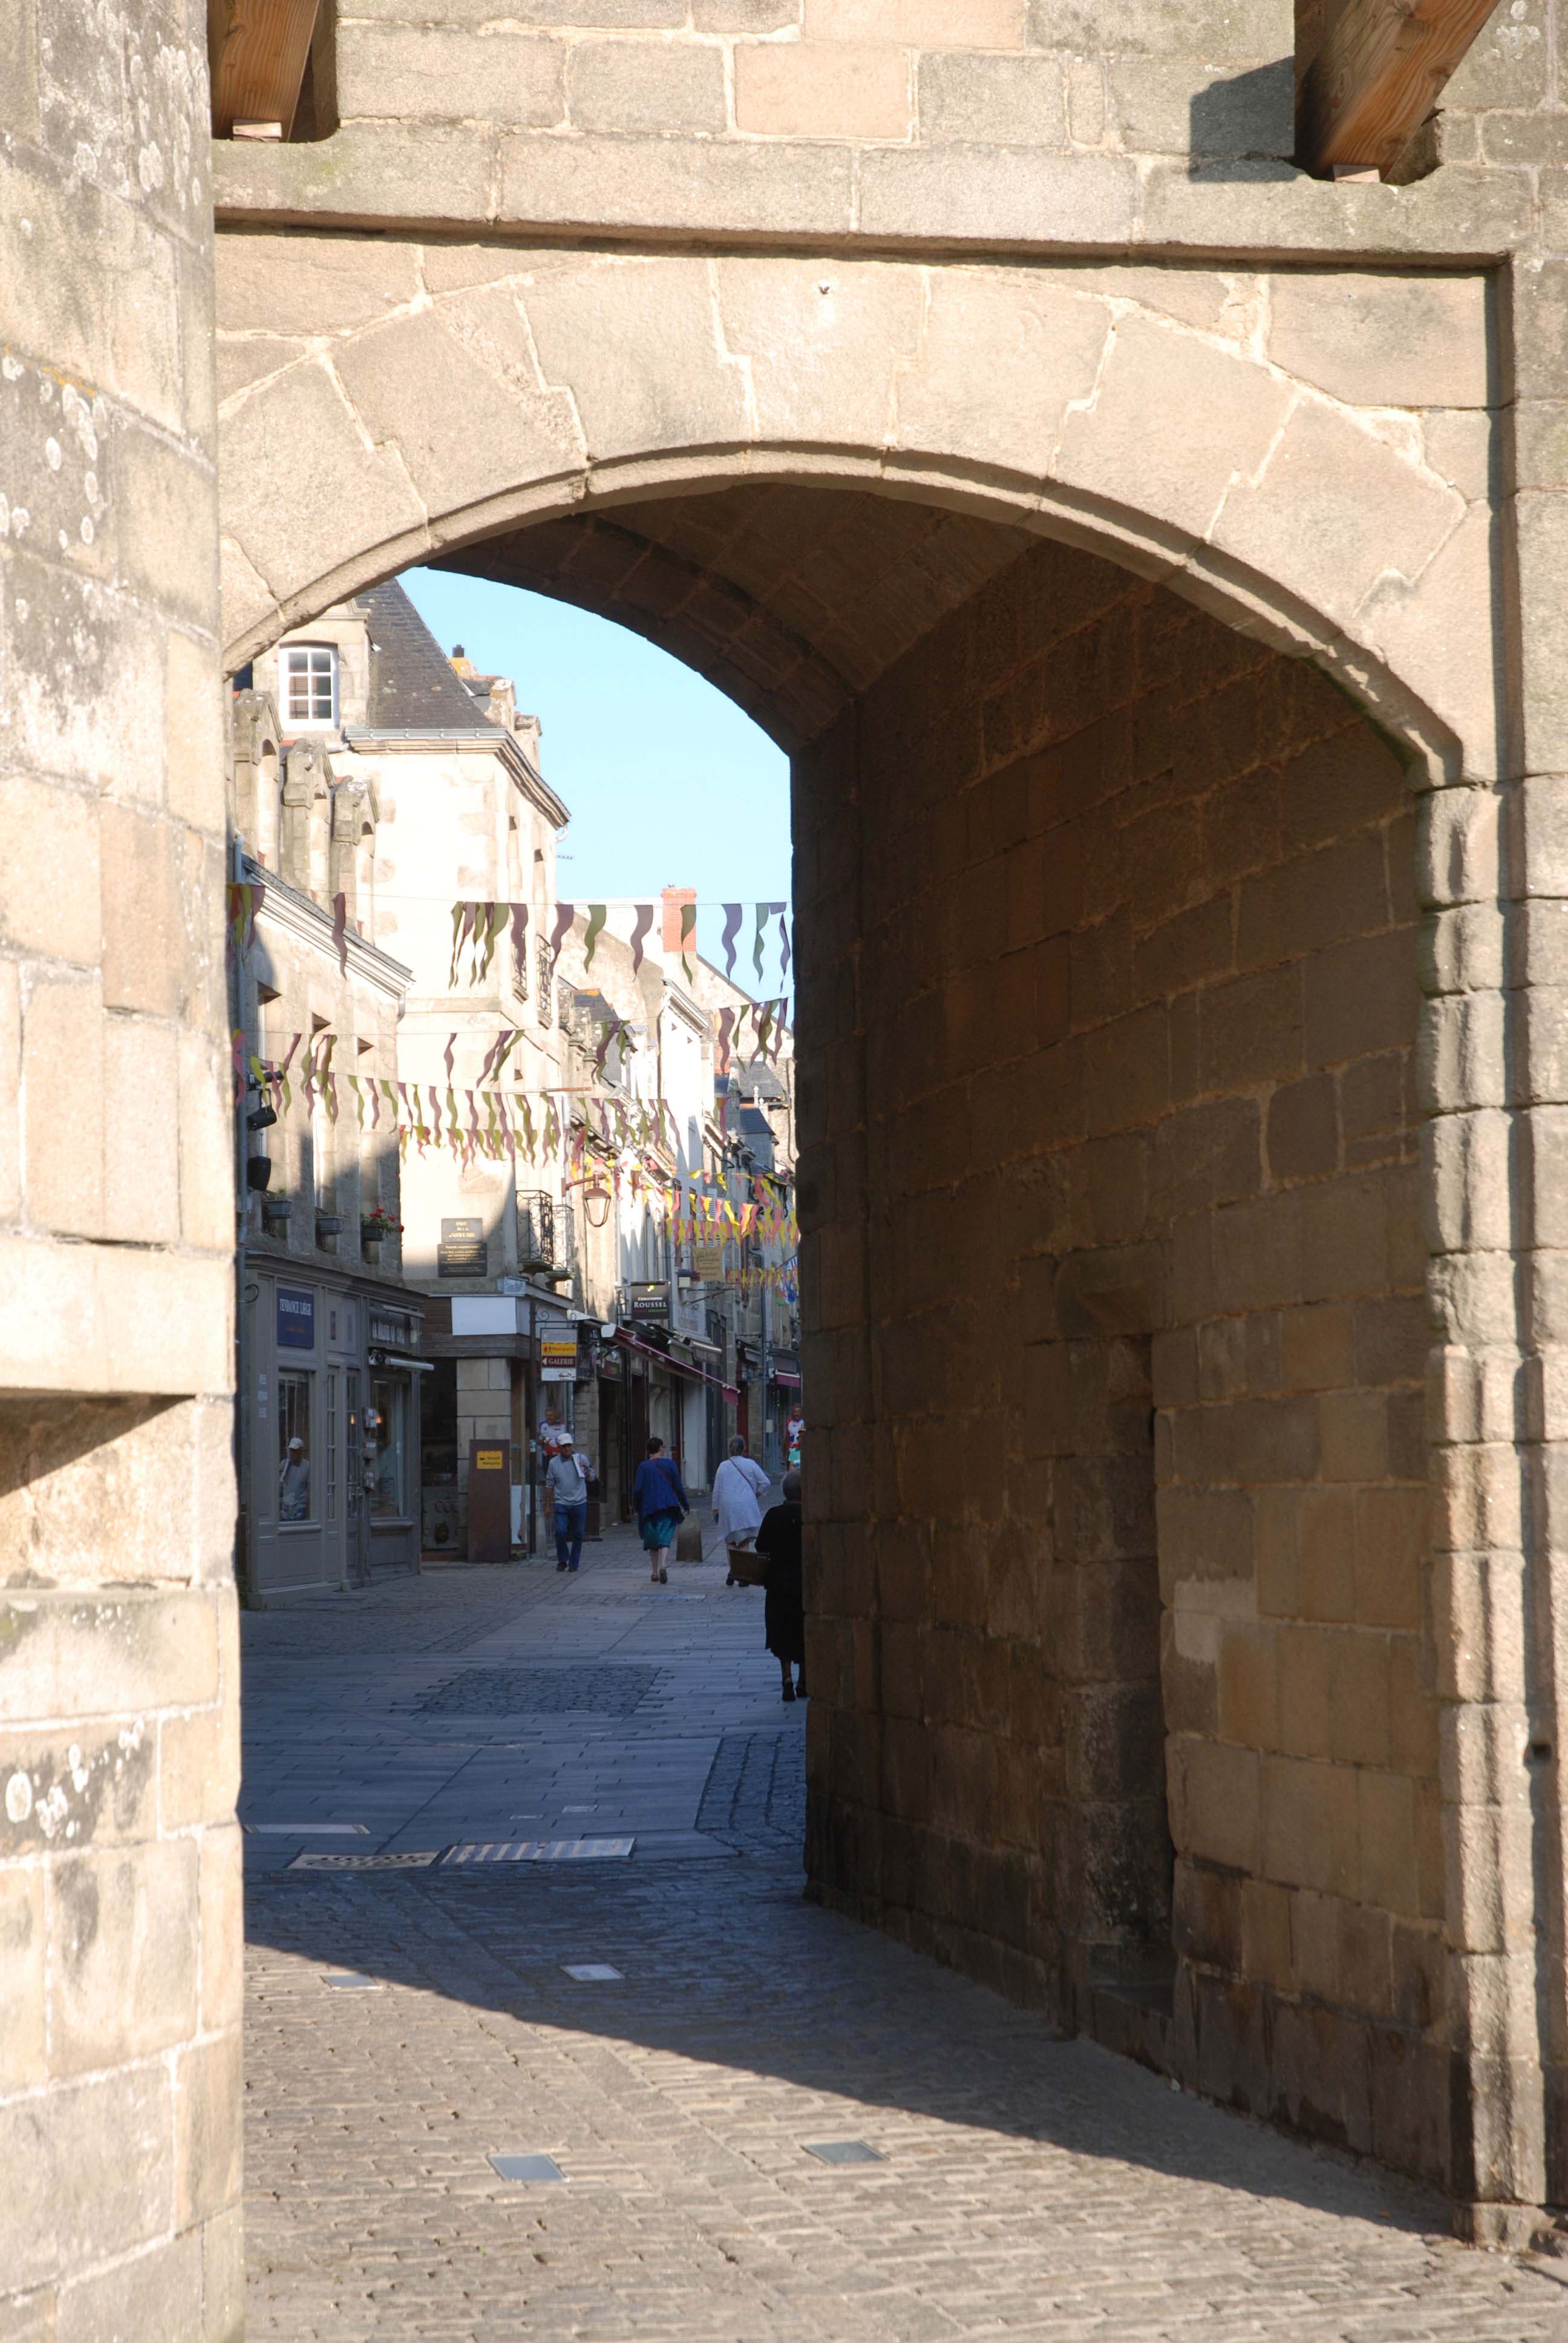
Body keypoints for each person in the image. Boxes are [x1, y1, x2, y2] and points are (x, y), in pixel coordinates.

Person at [754, 1469, 805, 1701]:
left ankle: (786, 1678)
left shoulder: (774, 1515)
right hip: (806, 1584)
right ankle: (805, 1679)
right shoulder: (810, 1515)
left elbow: (761, 1546)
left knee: (781, 1630)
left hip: (779, 1585)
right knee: (804, 1629)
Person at [711, 1435, 769, 1585]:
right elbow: (765, 1482)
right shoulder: (750, 1464)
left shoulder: (723, 1466)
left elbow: (717, 1490)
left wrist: (715, 1509)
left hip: (728, 1506)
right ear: (744, 1450)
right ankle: (743, 1574)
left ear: (729, 1450)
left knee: (730, 1541)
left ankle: (733, 1571)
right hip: (746, 1506)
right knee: (744, 1542)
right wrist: (755, 1495)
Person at [631, 1435, 687, 1585]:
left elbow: (637, 1490)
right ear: (661, 1448)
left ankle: (654, 1571)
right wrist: (685, 1505)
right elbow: (678, 1487)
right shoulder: (670, 1465)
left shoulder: (643, 1467)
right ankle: (664, 1564)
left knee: (652, 1540)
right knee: (665, 1538)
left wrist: (636, 1506)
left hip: (649, 1508)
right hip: (668, 1506)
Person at [544, 1437, 589, 1573]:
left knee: (578, 1534)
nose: (567, 1449)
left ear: (572, 1445)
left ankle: (574, 1563)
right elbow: (549, 1485)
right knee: (560, 1531)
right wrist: (547, 1505)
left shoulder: (580, 1458)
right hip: (561, 1502)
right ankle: (563, 1559)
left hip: (579, 1502)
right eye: (564, 1446)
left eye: (569, 1445)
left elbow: (591, 1476)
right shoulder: (554, 1463)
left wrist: (585, 1470)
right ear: (559, 1448)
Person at [279, 1435, 310, 1522]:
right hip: (287, 1506)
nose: (293, 1453)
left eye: (295, 1451)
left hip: (300, 1506)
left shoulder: (307, 1466)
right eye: (291, 1450)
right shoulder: (284, 1464)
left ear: (301, 1452)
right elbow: (279, 1485)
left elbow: (310, 1486)